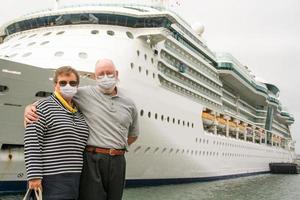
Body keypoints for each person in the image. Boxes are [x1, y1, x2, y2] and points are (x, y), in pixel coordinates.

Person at [25, 59, 140, 200]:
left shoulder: (129, 103)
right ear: (94, 77)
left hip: (114, 162)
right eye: (100, 74)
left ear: (116, 74)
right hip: (89, 160)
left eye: (109, 73)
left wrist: (119, 147)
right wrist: (29, 107)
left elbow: (134, 134)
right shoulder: (83, 94)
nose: (68, 86)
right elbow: (33, 140)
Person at [24, 66, 89, 200]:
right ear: (55, 85)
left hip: (75, 179)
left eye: (72, 83)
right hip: (50, 180)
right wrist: (34, 176)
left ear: (78, 86)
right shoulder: (41, 107)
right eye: (63, 83)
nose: (68, 86)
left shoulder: (78, 113)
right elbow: (32, 141)